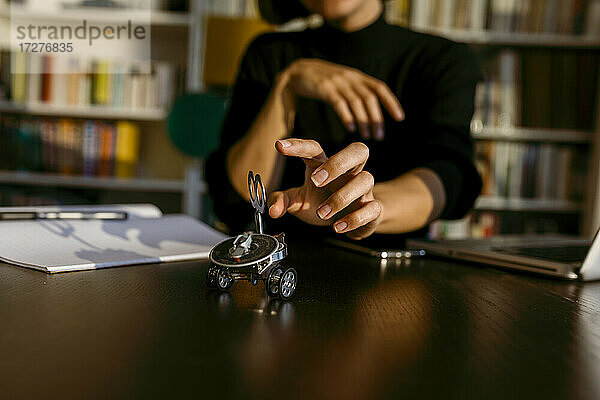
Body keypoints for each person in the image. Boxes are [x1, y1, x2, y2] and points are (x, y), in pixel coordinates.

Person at [206, 0, 483, 243]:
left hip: (395, 278)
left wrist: (365, 205)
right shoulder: (269, 54)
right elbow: (234, 200)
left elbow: (450, 177)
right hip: (278, 268)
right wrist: (285, 86)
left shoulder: (442, 59)